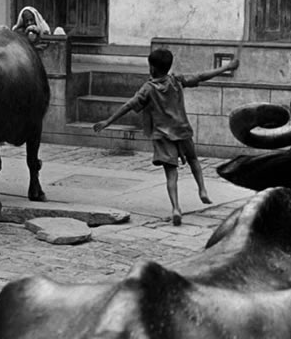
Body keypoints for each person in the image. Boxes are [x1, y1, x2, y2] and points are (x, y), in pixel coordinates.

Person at [93, 48, 239, 225]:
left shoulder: (148, 88)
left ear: (152, 68)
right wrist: (225, 68)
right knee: (193, 160)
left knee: (171, 175)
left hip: (162, 136)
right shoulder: (176, 80)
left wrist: (107, 121)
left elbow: (128, 106)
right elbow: (201, 76)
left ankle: (176, 208)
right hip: (182, 130)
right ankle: (202, 190)